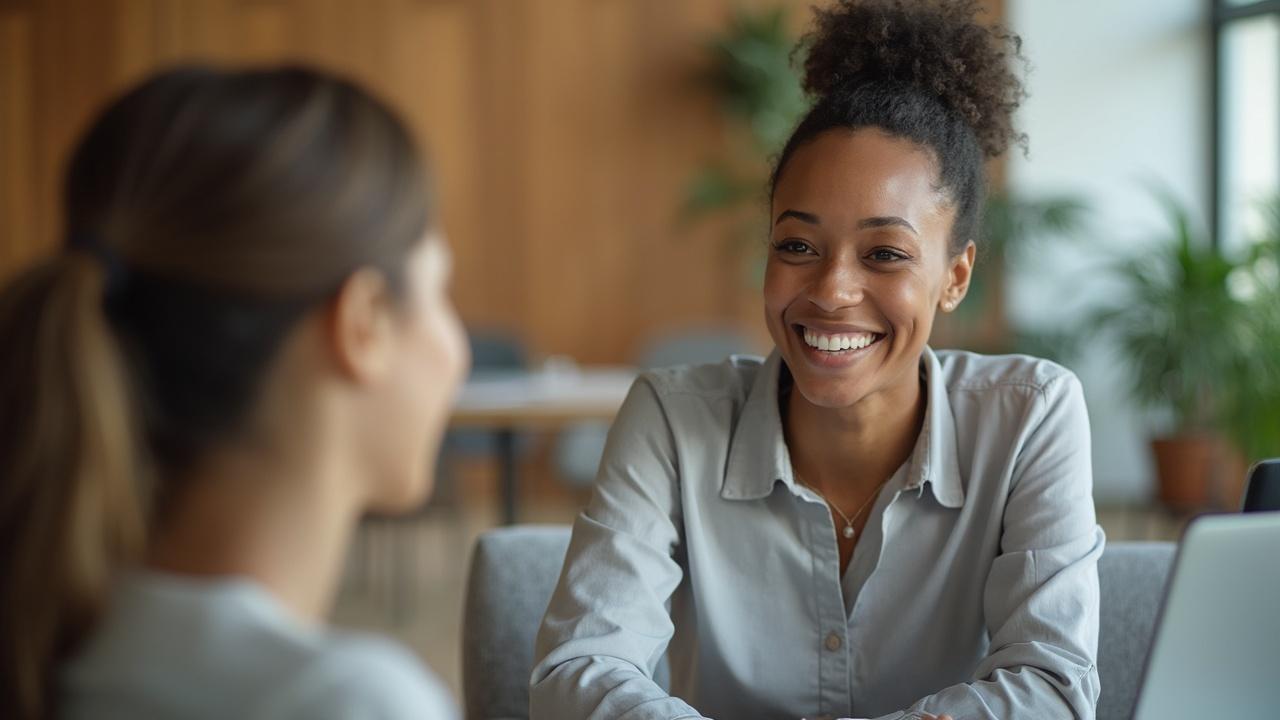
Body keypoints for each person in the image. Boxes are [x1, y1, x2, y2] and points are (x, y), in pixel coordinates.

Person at [531, 1, 1103, 719]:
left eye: (885, 254)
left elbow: (1051, 687)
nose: (831, 290)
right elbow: (580, 671)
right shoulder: (673, 420)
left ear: (955, 276)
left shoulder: (1029, 415)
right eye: (797, 246)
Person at [0, 66, 469, 720]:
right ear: (364, 324)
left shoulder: (51, 657)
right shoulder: (351, 705)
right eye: (440, 289)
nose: (457, 348)